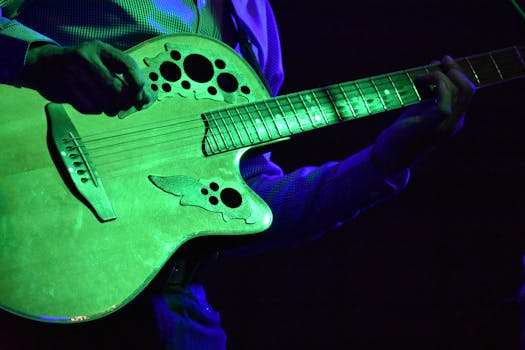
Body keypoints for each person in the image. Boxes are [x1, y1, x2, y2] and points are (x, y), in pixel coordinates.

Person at [0, 1, 475, 348]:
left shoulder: (256, 24)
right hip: (27, 263)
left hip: (176, 311)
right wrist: (36, 60)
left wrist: (382, 163)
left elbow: (242, 205)